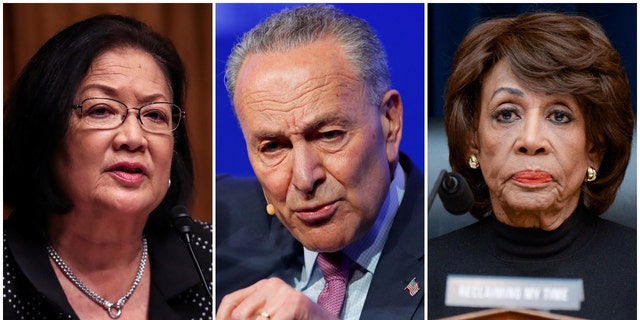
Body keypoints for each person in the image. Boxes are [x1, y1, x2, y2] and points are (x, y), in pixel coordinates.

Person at [216, 4, 424, 320]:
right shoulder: (212, 234)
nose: (304, 177)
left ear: (389, 123)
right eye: (273, 147)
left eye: (328, 135)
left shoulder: (455, 254)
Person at [428, 12, 636, 319]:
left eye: (559, 115)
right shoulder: (420, 274)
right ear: (474, 141)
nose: (531, 140)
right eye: (507, 114)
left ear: (594, 149)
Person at [3, 14, 212, 319]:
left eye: (155, 115)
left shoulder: (210, 257)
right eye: (101, 110)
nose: (134, 138)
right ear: (45, 129)